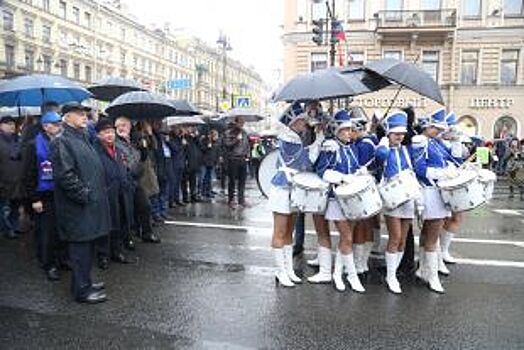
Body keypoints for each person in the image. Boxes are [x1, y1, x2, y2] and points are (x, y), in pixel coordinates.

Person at [51, 102, 110, 303]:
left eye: (85, 113)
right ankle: (81, 291)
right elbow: (65, 176)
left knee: (87, 247)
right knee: (80, 249)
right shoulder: (62, 141)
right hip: (77, 206)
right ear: (66, 117)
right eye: (78, 114)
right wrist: (84, 195)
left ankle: (85, 281)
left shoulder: (81, 136)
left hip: (88, 204)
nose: (84, 117)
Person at [269, 103, 324, 287]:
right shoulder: (289, 138)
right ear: (294, 122)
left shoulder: (296, 138)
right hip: (283, 188)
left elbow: (307, 159)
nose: (305, 124)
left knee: (289, 232)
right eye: (302, 121)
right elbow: (306, 160)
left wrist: (318, 139)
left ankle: (288, 269)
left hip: (293, 188)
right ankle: (280, 271)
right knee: (280, 231)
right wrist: (319, 139)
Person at [316, 110, 365, 293]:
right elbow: (322, 170)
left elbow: (355, 168)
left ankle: (337, 274)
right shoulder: (330, 146)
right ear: (336, 130)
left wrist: (359, 174)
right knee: (348, 237)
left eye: (351, 130)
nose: (349, 133)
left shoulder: (350, 147)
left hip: (351, 198)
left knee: (347, 239)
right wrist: (342, 177)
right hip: (337, 199)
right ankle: (352, 276)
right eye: (345, 130)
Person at [412, 107, 456, 294]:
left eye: (440, 129)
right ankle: (432, 277)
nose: (439, 132)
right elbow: (419, 168)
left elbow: (451, 158)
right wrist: (442, 173)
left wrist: (453, 167)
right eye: (436, 128)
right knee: (432, 235)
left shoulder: (435, 142)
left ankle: (424, 269)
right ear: (427, 126)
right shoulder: (421, 142)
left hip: (437, 191)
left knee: (428, 234)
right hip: (430, 192)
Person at [375, 111, 416, 294]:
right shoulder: (384, 150)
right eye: (396, 133)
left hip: (407, 197)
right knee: (395, 237)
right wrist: (384, 140)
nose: (399, 136)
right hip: (392, 198)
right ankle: (390, 276)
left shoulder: (406, 151)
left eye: (402, 133)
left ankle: (394, 272)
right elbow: (380, 156)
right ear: (389, 133)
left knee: (403, 240)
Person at [24, 111, 64, 280]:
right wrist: (35, 199)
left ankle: (60, 259)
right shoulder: (33, 145)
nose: (58, 127)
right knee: (46, 232)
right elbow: (28, 174)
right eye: (54, 124)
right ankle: (49, 264)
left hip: (60, 192)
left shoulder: (61, 142)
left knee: (60, 229)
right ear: (45, 126)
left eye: (59, 124)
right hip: (43, 194)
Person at [93, 118, 133, 268]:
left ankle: (117, 251)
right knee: (105, 225)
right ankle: (102, 255)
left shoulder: (118, 149)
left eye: (111, 132)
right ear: (98, 135)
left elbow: (126, 167)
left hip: (120, 191)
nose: (109, 135)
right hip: (105, 192)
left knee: (119, 222)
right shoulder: (94, 150)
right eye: (105, 132)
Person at [0, 116, 24, 239]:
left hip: (17, 182)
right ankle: (7, 229)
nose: (12, 126)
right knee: (4, 208)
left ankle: (14, 227)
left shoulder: (18, 139)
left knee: (15, 207)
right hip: (4, 182)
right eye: (8, 124)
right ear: (1, 126)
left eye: (13, 124)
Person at [224, 117, 250, 208]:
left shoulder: (244, 132)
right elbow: (227, 145)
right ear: (236, 122)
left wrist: (247, 155)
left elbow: (247, 144)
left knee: (242, 181)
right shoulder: (229, 132)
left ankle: (241, 200)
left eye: (243, 123)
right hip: (233, 159)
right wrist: (236, 140)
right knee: (232, 181)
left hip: (242, 159)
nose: (242, 124)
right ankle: (231, 200)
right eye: (240, 122)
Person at [200, 129, 219, 202]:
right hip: (205, 162)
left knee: (209, 178)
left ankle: (208, 191)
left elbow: (216, 153)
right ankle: (203, 192)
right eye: (215, 135)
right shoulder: (205, 141)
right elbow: (202, 149)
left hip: (212, 162)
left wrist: (216, 161)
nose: (216, 137)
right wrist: (207, 146)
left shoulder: (216, 143)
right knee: (204, 178)